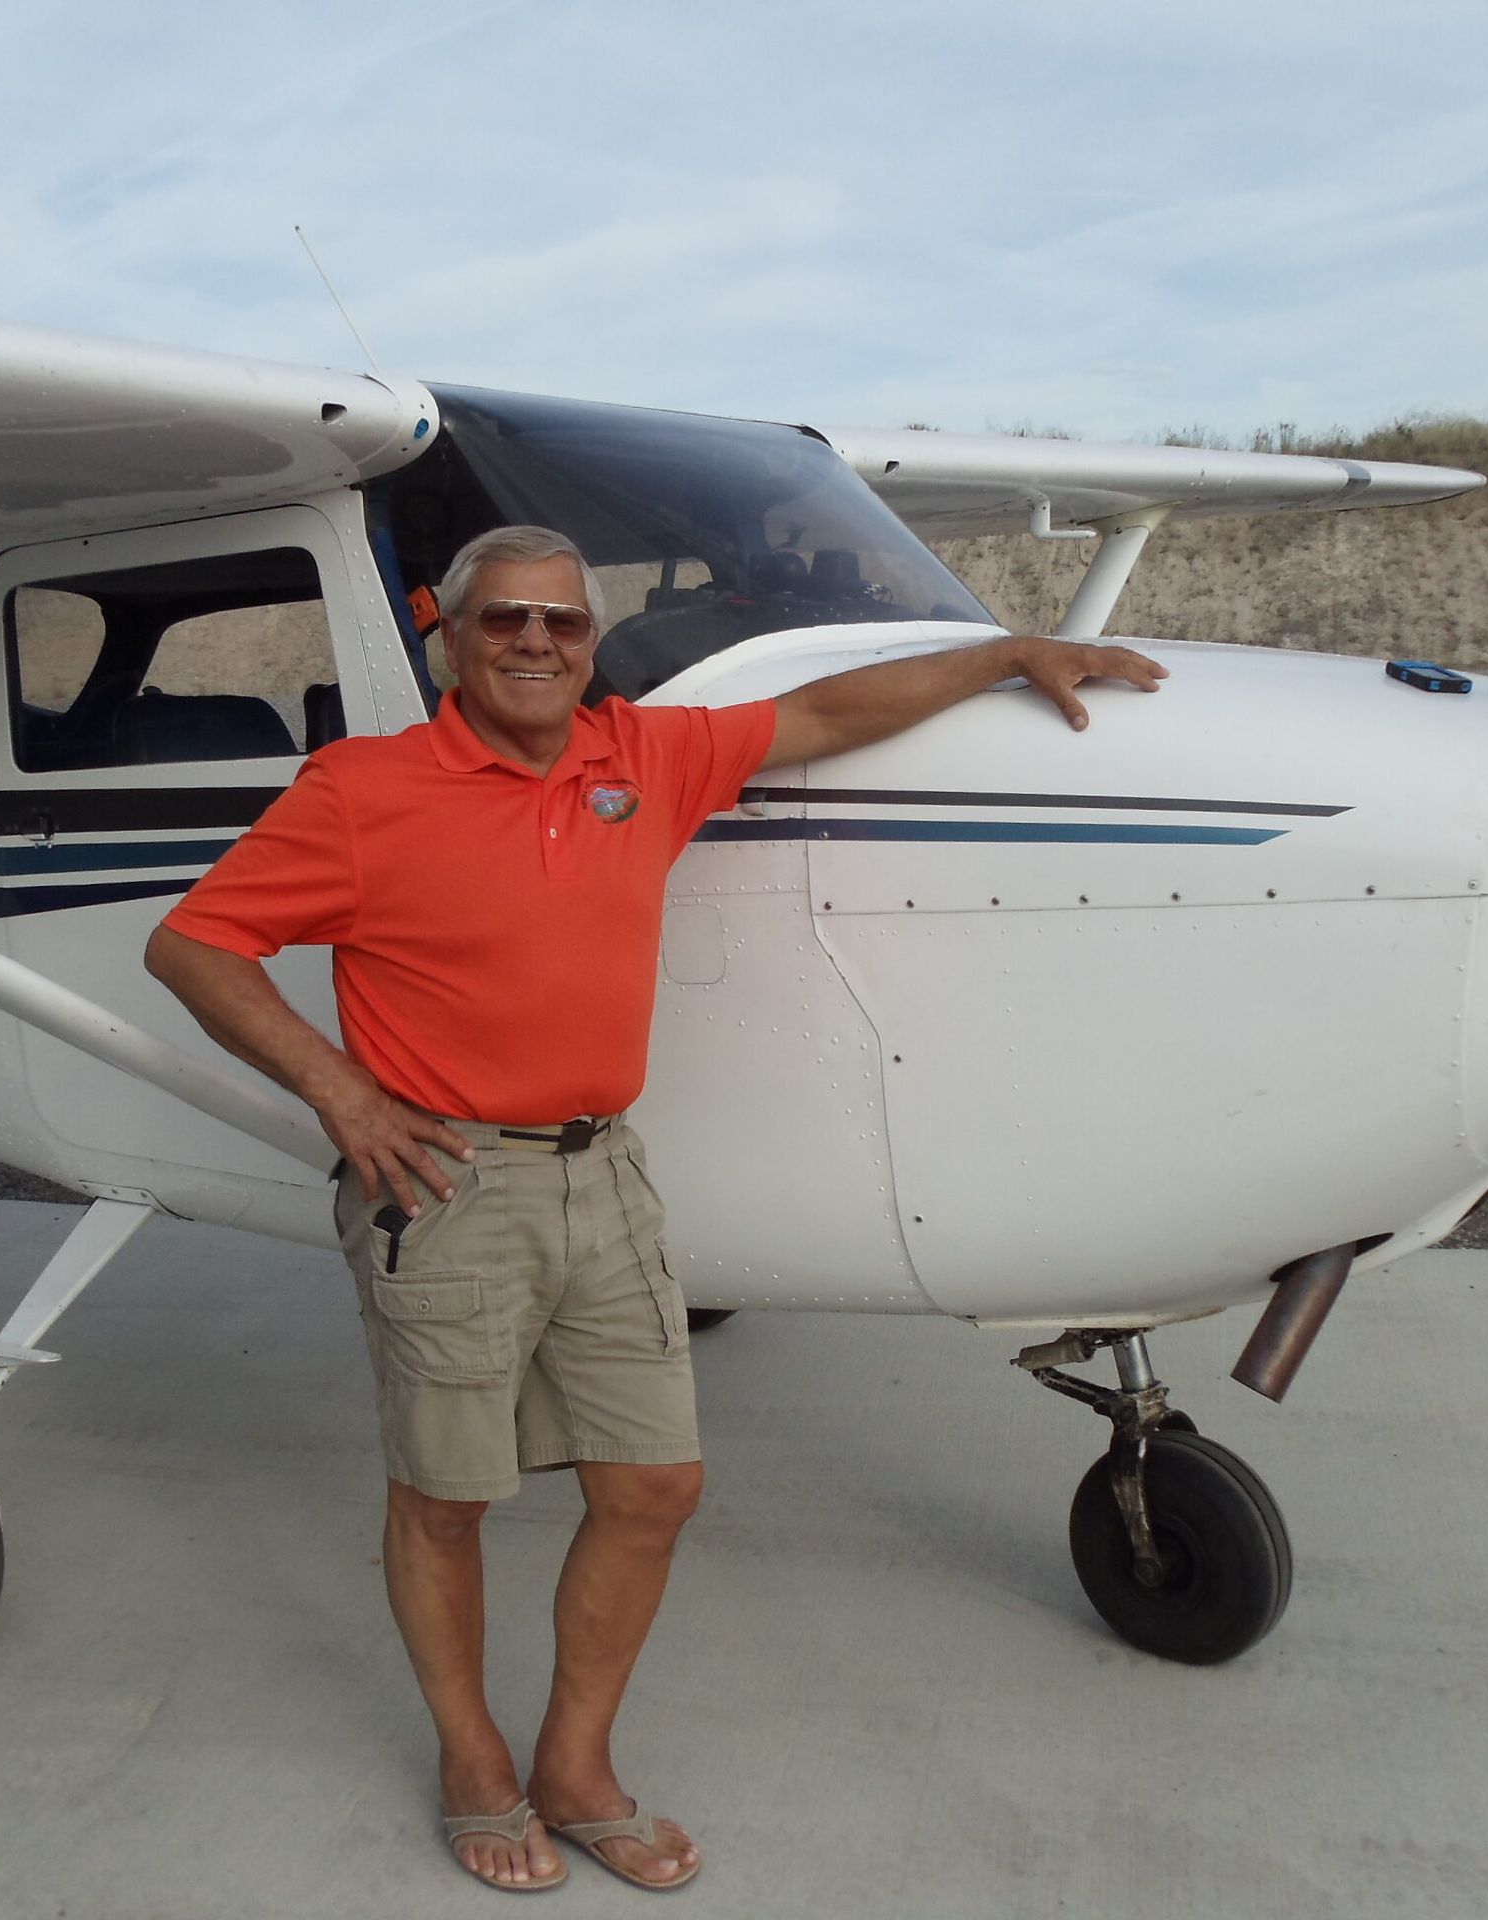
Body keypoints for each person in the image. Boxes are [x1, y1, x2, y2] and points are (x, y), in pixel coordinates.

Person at [145, 524, 1164, 1893]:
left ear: (589, 640)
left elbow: (822, 710)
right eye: (506, 619)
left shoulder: (643, 753)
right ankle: (473, 1763)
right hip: (445, 1186)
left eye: (564, 624)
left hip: (606, 1170)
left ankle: (573, 1765)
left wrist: (1006, 656)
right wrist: (344, 1096)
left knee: (655, 1486)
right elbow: (195, 941)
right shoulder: (362, 791)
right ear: (450, 632)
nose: (536, 644)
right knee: (447, 1498)